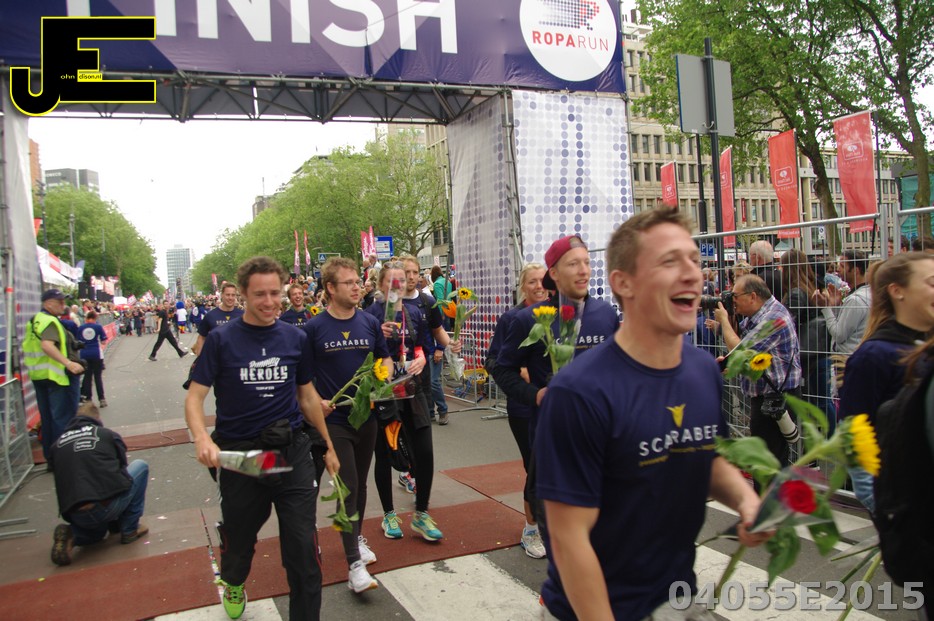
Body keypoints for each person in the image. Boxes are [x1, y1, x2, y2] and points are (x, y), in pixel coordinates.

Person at [536, 207, 768, 620]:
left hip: (677, 601)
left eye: (693, 260)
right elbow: (569, 539)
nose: (692, 273)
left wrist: (747, 501)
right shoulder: (578, 393)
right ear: (623, 283)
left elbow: (705, 456)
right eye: (669, 261)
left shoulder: (703, 370)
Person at [185, 256, 339, 621]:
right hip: (242, 457)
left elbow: (307, 396)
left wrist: (328, 445)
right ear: (243, 293)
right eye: (260, 295)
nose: (270, 302)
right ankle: (234, 579)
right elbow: (194, 397)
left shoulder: (295, 338)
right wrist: (202, 439)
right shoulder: (221, 340)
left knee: (302, 549)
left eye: (275, 293)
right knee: (240, 541)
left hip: (290, 452)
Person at [304, 257, 392, 593]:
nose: (358, 287)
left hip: (365, 417)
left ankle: (355, 538)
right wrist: (317, 402)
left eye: (358, 282)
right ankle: (354, 565)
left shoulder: (368, 322)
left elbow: (384, 357)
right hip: (334, 422)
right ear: (330, 288)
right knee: (349, 486)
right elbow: (303, 379)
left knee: (361, 485)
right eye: (349, 283)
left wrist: (382, 378)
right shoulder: (314, 328)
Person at [365, 261, 459, 542]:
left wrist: (422, 358)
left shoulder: (415, 311)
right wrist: (376, 343)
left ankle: (421, 512)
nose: (398, 285)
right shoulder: (370, 315)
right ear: (382, 285)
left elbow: (420, 345)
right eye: (391, 281)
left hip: (413, 388)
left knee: (424, 450)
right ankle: (389, 514)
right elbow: (362, 357)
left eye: (402, 280)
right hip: (383, 391)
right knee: (385, 454)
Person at [838, 252, 934, 514]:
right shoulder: (874, 356)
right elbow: (853, 432)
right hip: (909, 508)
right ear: (897, 291)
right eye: (931, 282)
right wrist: (885, 508)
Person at [484, 262, 549, 559]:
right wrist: (520, 370)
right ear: (523, 286)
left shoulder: (559, 316)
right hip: (524, 406)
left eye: (543, 280)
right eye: (532, 281)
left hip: (557, 407)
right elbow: (493, 361)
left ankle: (555, 524)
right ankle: (531, 529)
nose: (539, 286)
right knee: (535, 467)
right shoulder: (513, 319)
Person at [715, 274, 802, 467]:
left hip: (775, 398)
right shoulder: (759, 315)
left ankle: (771, 488)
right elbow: (742, 349)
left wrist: (724, 320)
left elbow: (741, 351)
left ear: (753, 296)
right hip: (768, 397)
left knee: (768, 462)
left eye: (735, 296)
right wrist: (729, 361)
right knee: (768, 459)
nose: (732, 301)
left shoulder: (774, 319)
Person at [49, 402, 150, 566]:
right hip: (103, 505)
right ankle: (130, 529)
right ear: (97, 418)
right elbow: (122, 472)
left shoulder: (56, 445)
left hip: (74, 512)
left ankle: (73, 534)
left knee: (96, 534)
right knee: (140, 467)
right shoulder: (107, 435)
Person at [24, 288, 86, 461]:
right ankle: (63, 458)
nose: (63, 305)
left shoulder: (36, 320)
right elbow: (47, 345)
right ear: (48, 303)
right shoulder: (49, 321)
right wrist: (68, 363)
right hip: (56, 377)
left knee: (48, 419)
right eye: (60, 302)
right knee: (62, 419)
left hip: (39, 376)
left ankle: (51, 457)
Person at [779, 249, 833, 425]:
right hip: (819, 351)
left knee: (818, 403)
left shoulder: (796, 293)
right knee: (822, 402)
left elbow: (787, 324)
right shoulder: (811, 287)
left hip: (808, 354)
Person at [193, 282, 244, 356]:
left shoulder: (243, 315)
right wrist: (200, 358)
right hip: (216, 358)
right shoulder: (210, 315)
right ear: (222, 295)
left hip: (237, 358)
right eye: (227, 295)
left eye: (233, 295)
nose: (230, 298)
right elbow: (201, 337)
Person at [78, 310, 108, 408]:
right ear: (95, 318)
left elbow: (77, 341)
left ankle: (88, 399)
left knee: (87, 377)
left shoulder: (81, 328)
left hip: (84, 354)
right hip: (95, 353)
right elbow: (103, 341)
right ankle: (102, 399)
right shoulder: (98, 327)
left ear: (86, 318)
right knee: (97, 377)